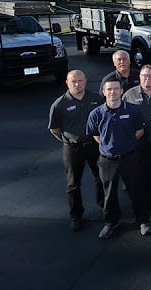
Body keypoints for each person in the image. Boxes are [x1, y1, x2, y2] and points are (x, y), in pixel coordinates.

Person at [86, 78, 151, 239]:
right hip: (107, 160)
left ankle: (143, 220)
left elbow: (140, 131)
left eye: (116, 89)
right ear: (104, 92)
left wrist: (127, 144)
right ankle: (110, 222)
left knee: (136, 189)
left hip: (130, 157)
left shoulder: (133, 110)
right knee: (109, 193)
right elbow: (95, 135)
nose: (112, 92)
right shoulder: (96, 114)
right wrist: (110, 146)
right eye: (109, 89)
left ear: (121, 91)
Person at [48, 69, 104, 232]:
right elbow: (55, 129)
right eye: (73, 81)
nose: (77, 84)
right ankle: (76, 215)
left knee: (100, 178)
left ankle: (104, 207)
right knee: (73, 184)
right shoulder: (59, 104)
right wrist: (68, 140)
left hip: (94, 145)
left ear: (86, 81)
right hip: (72, 148)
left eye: (80, 81)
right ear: (67, 83)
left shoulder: (97, 99)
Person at [122, 65, 151, 210]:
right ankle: (150, 199)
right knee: (145, 172)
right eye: (144, 76)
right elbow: (123, 117)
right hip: (141, 142)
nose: (147, 78)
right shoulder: (129, 95)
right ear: (139, 77)